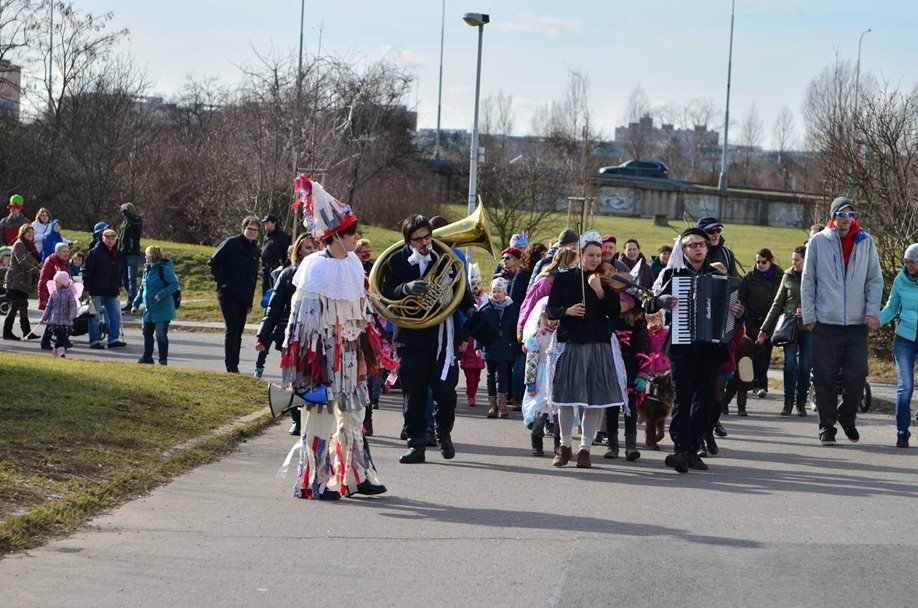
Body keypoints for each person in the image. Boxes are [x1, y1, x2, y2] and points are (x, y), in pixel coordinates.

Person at [281, 177, 387, 500]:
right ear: (337, 236)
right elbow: (301, 321)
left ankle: (354, 476)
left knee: (353, 415)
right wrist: (307, 366)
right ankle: (312, 481)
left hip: (351, 355)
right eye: (352, 233)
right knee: (320, 417)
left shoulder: (354, 264)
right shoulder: (315, 268)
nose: (357, 238)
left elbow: (361, 310)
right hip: (323, 357)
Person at [381, 214, 476, 464]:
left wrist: (470, 310)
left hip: (443, 334)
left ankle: (443, 433)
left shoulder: (445, 258)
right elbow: (384, 291)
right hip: (410, 335)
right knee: (414, 393)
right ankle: (416, 445)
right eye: (418, 239)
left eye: (427, 237)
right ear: (408, 240)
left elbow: (461, 291)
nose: (425, 243)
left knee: (445, 390)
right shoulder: (395, 260)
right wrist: (406, 289)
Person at [647, 227, 743, 473]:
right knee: (683, 397)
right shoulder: (673, 274)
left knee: (707, 400)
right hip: (682, 345)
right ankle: (680, 448)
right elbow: (648, 301)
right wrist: (661, 301)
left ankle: (693, 448)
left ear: (707, 247)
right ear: (683, 249)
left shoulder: (719, 274)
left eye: (701, 244)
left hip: (711, 347)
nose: (698, 248)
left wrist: (737, 312)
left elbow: (736, 308)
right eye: (692, 244)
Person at [801, 196, 883, 446]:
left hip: (857, 324)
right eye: (841, 215)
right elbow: (808, 280)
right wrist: (810, 316)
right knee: (824, 377)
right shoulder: (818, 242)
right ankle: (827, 427)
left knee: (857, 374)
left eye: (850, 215)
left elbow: (874, 279)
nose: (846, 220)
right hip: (825, 323)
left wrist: (872, 312)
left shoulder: (865, 242)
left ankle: (847, 416)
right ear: (833, 217)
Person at [546, 231, 625, 469]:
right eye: (590, 255)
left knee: (595, 401)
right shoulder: (564, 278)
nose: (594, 259)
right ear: (579, 254)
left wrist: (600, 292)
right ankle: (565, 445)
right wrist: (567, 311)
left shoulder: (606, 281)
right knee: (567, 399)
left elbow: (615, 313)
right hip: (571, 343)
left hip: (598, 345)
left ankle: (585, 449)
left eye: (598, 255)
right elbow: (551, 309)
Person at [255, 234, 316, 435]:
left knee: (314, 378)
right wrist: (262, 336)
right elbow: (273, 307)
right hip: (292, 336)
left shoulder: (325, 274)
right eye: (308, 248)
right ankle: (297, 419)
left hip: (318, 337)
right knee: (293, 378)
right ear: (299, 251)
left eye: (315, 247)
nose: (312, 252)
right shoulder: (288, 274)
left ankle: (315, 417)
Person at [759, 245, 811, 416]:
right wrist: (765, 328)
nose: (794, 263)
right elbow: (777, 303)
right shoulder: (787, 276)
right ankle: (788, 401)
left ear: (806, 259)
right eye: (792, 260)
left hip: (809, 327)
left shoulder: (815, 275)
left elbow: (824, 300)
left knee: (805, 366)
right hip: (789, 326)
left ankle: (801, 401)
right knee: (789, 364)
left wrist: (809, 311)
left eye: (797, 260)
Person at [878, 243, 918, 448]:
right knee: (906, 386)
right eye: (906, 261)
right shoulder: (900, 280)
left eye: (912, 262)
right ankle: (902, 431)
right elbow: (892, 306)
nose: (908, 265)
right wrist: (875, 322)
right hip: (904, 339)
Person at [209, 216, 260, 373]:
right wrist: (222, 281)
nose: (252, 232)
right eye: (249, 229)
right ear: (243, 228)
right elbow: (213, 262)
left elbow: (252, 278)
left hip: (244, 296)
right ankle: (231, 366)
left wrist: (250, 302)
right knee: (232, 329)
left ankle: (234, 364)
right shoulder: (231, 243)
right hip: (228, 293)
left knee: (239, 331)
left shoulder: (255, 250)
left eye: (255, 230)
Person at [605, 288, 650, 462]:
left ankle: (631, 445)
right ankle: (612, 445)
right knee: (611, 408)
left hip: (630, 368)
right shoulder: (608, 319)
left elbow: (644, 347)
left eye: (623, 301)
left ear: (631, 304)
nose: (619, 304)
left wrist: (643, 372)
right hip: (610, 367)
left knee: (630, 408)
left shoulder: (637, 322)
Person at [740, 248, 783, 399]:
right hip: (753, 322)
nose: (760, 265)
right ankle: (759, 385)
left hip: (771, 323)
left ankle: (759, 384)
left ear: (770, 261)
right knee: (757, 354)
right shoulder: (749, 278)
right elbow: (742, 297)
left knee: (765, 355)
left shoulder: (780, 276)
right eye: (757, 261)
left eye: (763, 262)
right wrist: (747, 314)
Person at [477, 277, 519, 419]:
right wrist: (478, 346)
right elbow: (480, 329)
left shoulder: (511, 308)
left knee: (502, 376)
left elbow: (514, 329)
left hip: (505, 345)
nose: (496, 294)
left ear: (505, 293)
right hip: (490, 345)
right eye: (494, 291)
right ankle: (492, 405)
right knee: (490, 376)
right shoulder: (486, 309)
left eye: (499, 291)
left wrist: (517, 344)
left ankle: (502, 405)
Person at [132, 245, 180, 366]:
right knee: (146, 333)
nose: (145, 257)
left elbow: (174, 284)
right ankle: (147, 357)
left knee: (160, 334)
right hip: (149, 310)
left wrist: (161, 294)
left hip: (162, 310)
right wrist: (135, 304)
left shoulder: (164, 269)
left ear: (153, 256)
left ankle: (163, 360)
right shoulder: (147, 270)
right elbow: (142, 289)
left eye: (147, 255)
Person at [83, 229, 126, 349]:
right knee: (94, 316)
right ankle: (95, 341)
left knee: (115, 315)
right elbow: (87, 271)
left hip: (111, 290)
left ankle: (113, 339)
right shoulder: (95, 252)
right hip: (96, 289)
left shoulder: (117, 253)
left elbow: (119, 271)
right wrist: (86, 288)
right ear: (102, 238)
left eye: (113, 238)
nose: (110, 241)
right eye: (108, 238)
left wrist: (120, 283)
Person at [3, 223, 41, 340]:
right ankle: (26, 332)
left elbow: (33, 261)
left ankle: (10, 332)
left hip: (22, 281)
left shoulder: (30, 246)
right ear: (22, 233)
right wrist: (37, 270)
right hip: (16, 280)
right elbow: (23, 262)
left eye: (32, 232)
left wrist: (40, 267)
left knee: (15, 307)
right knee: (22, 304)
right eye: (28, 232)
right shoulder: (19, 244)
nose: (30, 234)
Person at [37, 242, 72, 350]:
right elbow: (43, 280)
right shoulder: (50, 261)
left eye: (67, 251)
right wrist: (43, 298)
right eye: (63, 251)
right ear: (57, 252)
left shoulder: (66, 263)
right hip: (53, 295)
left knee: (56, 321)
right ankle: (62, 342)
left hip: (63, 296)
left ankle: (60, 342)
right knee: (54, 321)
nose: (66, 254)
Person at [40, 270, 80, 357]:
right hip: (54, 320)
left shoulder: (69, 293)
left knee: (60, 336)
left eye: (57, 281)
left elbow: (73, 305)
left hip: (65, 320)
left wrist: (73, 314)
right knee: (59, 336)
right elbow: (49, 307)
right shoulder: (54, 293)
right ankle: (61, 352)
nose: (55, 283)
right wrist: (43, 318)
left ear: (63, 283)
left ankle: (56, 351)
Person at [117, 203, 143, 311]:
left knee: (131, 278)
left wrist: (125, 211)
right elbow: (120, 237)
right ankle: (131, 299)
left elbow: (132, 220)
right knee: (125, 279)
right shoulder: (124, 223)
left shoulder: (137, 220)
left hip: (132, 253)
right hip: (123, 254)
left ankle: (132, 302)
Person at [259, 214, 291, 295]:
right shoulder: (267, 236)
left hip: (276, 270)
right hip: (266, 270)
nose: (265, 224)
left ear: (274, 223)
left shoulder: (283, 236)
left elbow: (289, 254)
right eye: (264, 222)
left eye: (267, 222)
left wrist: (284, 268)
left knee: (275, 294)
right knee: (266, 294)